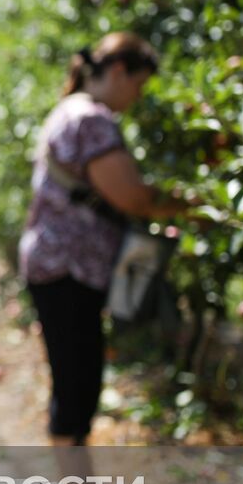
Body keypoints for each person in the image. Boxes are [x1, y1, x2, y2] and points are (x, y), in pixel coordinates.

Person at [18, 32, 190, 447]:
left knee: (75, 377)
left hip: (59, 265)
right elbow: (133, 196)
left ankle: (77, 482)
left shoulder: (69, 111)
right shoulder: (92, 118)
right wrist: (196, 203)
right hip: (68, 268)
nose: (138, 95)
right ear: (117, 71)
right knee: (77, 382)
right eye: (139, 83)